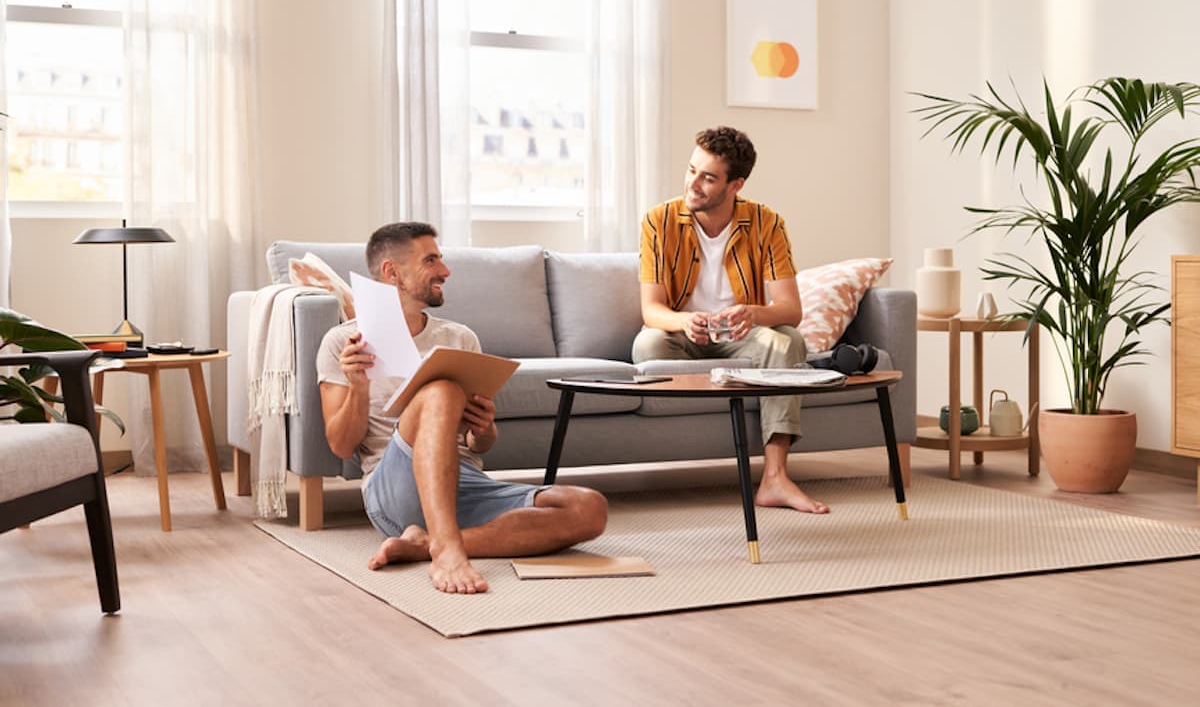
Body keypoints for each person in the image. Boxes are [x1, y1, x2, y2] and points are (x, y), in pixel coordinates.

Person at [318, 222, 608, 594]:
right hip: (394, 490)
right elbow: (342, 447)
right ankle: (447, 549)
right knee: (440, 389)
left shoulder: (459, 337)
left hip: (465, 483)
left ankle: (429, 543)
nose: (445, 271)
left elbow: (481, 445)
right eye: (431, 260)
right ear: (392, 272)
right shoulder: (343, 342)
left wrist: (483, 428)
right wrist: (358, 386)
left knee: (589, 508)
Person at [633, 126, 829, 514]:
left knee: (787, 341)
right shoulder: (658, 221)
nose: (694, 184)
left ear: (735, 184)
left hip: (743, 336)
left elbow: (790, 309)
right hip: (682, 335)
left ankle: (775, 478)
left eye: (708, 177)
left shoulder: (766, 223)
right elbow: (651, 310)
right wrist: (682, 322)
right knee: (648, 344)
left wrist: (754, 313)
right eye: (692, 171)